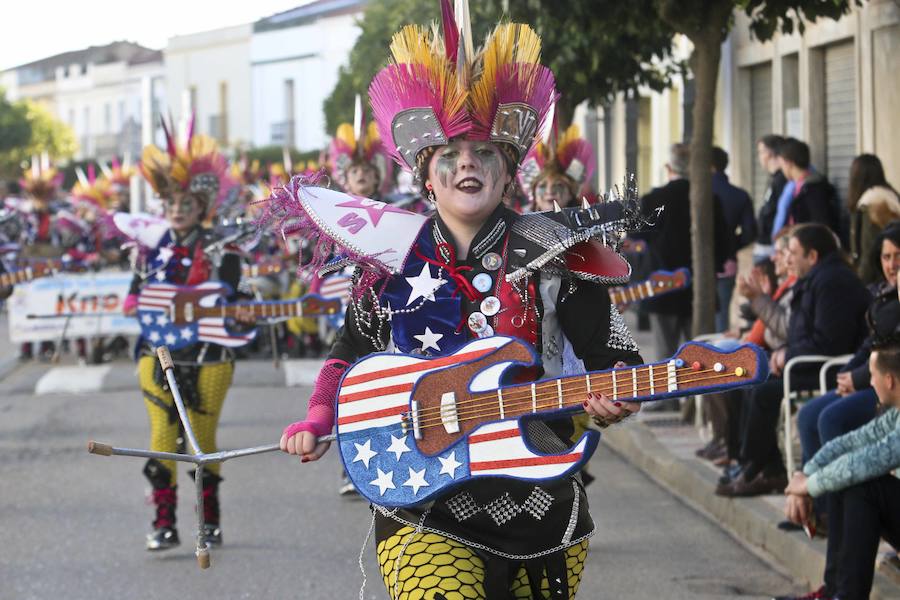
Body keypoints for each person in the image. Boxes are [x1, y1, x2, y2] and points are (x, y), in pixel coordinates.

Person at [275, 7, 646, 598]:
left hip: (541, 499)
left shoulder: (556, 253)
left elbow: (617, 355)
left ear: (507, 176)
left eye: (484, 154)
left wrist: (615, 394)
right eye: (449, 154)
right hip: (422, 502)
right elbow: (351, 348)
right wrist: (321, 414)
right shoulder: (389, 258)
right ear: (428, 177)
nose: (466, 163)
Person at [123, 119, 252, 551]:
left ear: (201, 207)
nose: (177, 210)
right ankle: (164, 523)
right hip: (156, 354)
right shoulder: (147, 251)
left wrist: (229, 311)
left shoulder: (224, 252)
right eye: (171, 203)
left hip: (210, 357)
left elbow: (244, 305)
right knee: (161, 436)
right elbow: (132, 301)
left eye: (186, 203)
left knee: (201, 439)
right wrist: (158, 305)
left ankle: (208, 522)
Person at [717, 223, 870, 497]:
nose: (787, 260)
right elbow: (799, 331)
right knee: (747, 376)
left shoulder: (833, 282)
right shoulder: (814, 281)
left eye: (793, 253)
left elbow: (828, 341)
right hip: (808, 362)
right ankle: (760, 465)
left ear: (812, 257)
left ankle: (758, 466)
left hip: (827, 368)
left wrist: (787, 354)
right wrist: (783, 353)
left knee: (762, 389)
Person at [776, 341, 900, 600]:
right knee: (846, 479)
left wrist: (808, 487)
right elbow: (852, 442)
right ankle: (837, 593)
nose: (870, 383)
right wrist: (805, 476)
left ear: (889, 380)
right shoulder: (894, 413)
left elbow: (867, 461)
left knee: (861, 484)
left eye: (872, 375)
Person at [634, 143, 728, 366]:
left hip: (662, 289)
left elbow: (638, 240)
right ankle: (696, 401)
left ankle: (670, 401)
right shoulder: (709, 199)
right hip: (698, 289)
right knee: (702, 358)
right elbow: (724, 242)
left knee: (666, 358)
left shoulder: (652, 200)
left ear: (669, 168)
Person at [712, 146, 757, 332]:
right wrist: (731, 244)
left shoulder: (694, 193)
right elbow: (750, 231)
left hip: (696, 263)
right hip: (727, 262)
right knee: (722, 311)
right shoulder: (740, 195)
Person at [777, 138, 845, 245]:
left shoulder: (814, 189)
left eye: (781, 165)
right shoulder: (799, 186)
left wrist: (794, 229)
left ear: (789, 163)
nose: (781, 170)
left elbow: (820, 224)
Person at [518, 121, 595, 212]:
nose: (550, 191)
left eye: (559, 185)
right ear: (534, 194)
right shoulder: (519, 224)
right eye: (542, 185)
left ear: (570, 194)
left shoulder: (587, 222)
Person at [847, 154, 900, 283]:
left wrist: (860, 283)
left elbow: (868, 252)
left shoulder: (870, 204)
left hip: (878, 280)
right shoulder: (890, 196)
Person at [754, 134, 787, 261]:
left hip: (771, 245)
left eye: (761, 152)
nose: (760, 157)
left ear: (771, 154)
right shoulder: (774, 179)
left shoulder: (782, 180)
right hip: (765, 243)